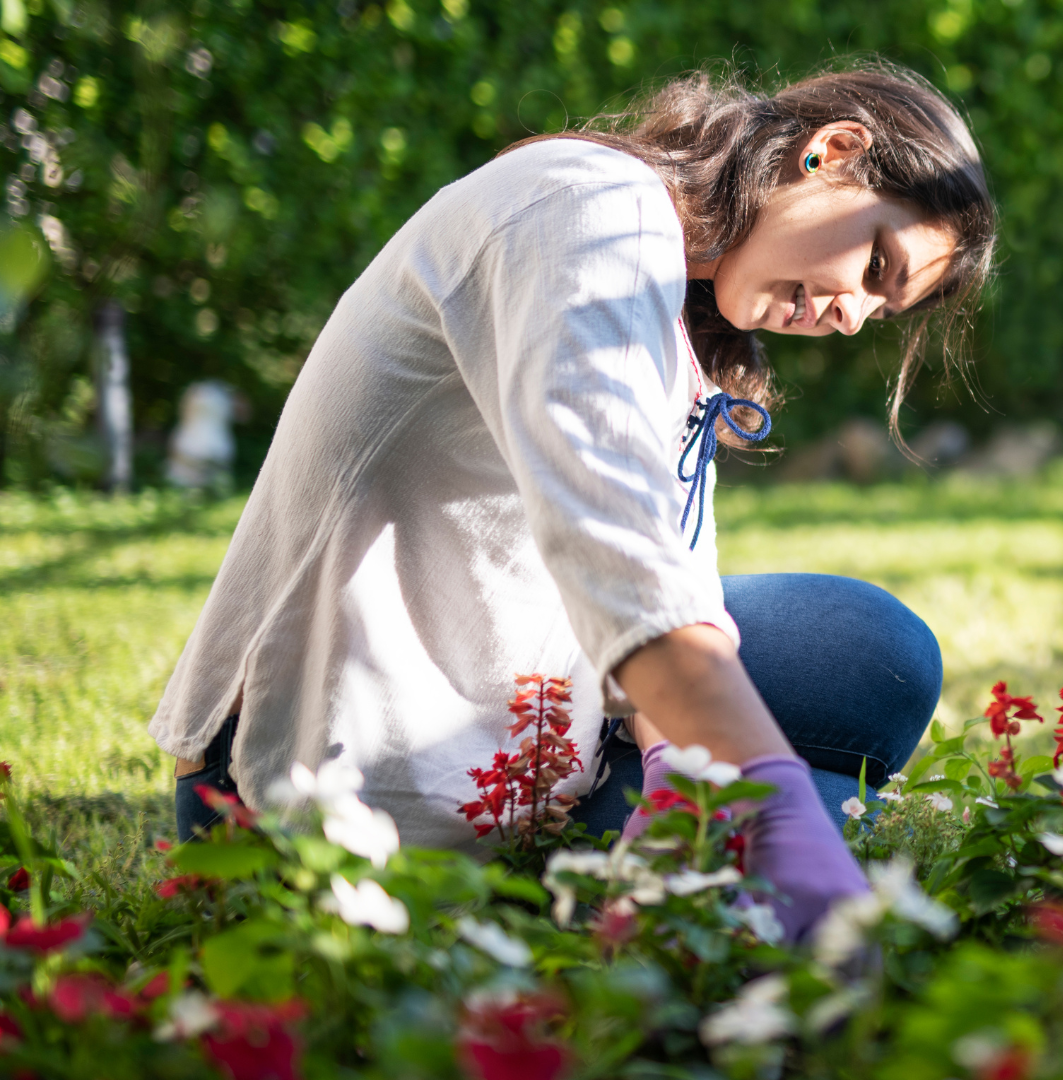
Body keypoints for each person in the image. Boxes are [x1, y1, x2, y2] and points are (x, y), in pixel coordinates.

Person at [149, 61, 995, 940]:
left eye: (881, 310)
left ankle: (681, 855)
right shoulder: (589, 212)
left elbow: (672, 565)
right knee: (798, 813)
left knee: (867, 650)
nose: (853, 317)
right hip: (340, 780)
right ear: (833, 152)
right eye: (876, 264)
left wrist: (680, 766)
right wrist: (770, 805)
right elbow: (615, 540)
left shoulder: (677, 298)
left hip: (535, 723)